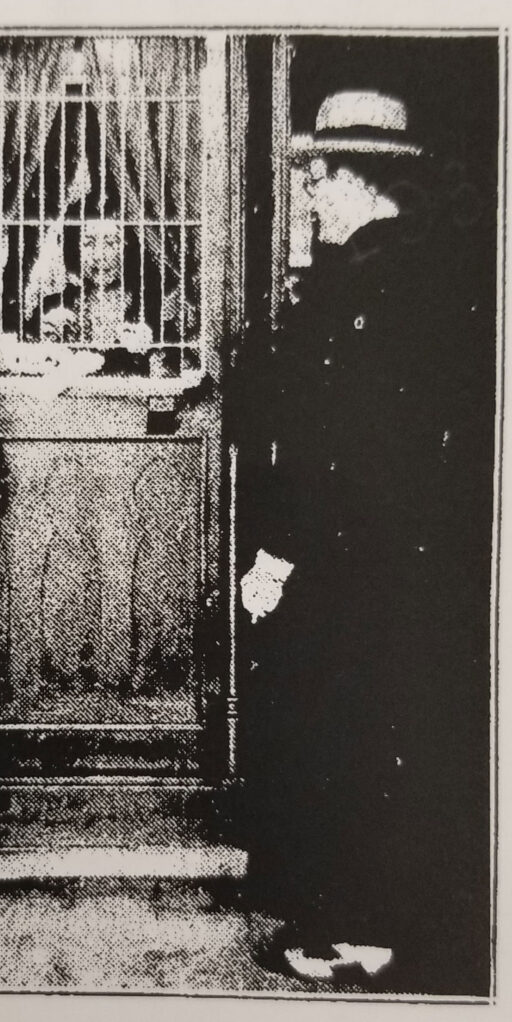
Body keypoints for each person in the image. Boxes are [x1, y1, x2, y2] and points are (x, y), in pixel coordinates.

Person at [238, 90, 459, 990]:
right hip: (375, 555)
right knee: (365, 732)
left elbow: (345, 451)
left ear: (370, 181)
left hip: (353, 556)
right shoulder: (395, 272)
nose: (314, 193)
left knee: (357, 736)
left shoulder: (379, 286)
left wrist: (279, 555)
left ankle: (358, 938)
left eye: (326, 176)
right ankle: (357, 919)